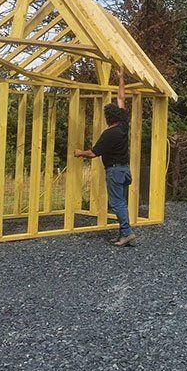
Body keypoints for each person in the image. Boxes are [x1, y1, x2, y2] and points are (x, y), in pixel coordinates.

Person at [75, 69, 135, 247]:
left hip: (115, 172)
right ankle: (123, 234)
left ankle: (127, 233)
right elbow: (121, 98)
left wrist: (79, 153)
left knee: (117, 204)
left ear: (108, 118)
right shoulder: (123, 126)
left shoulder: (108, 134)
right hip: (125, 170)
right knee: (121, 202)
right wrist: (121, 78)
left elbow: (93, 153)